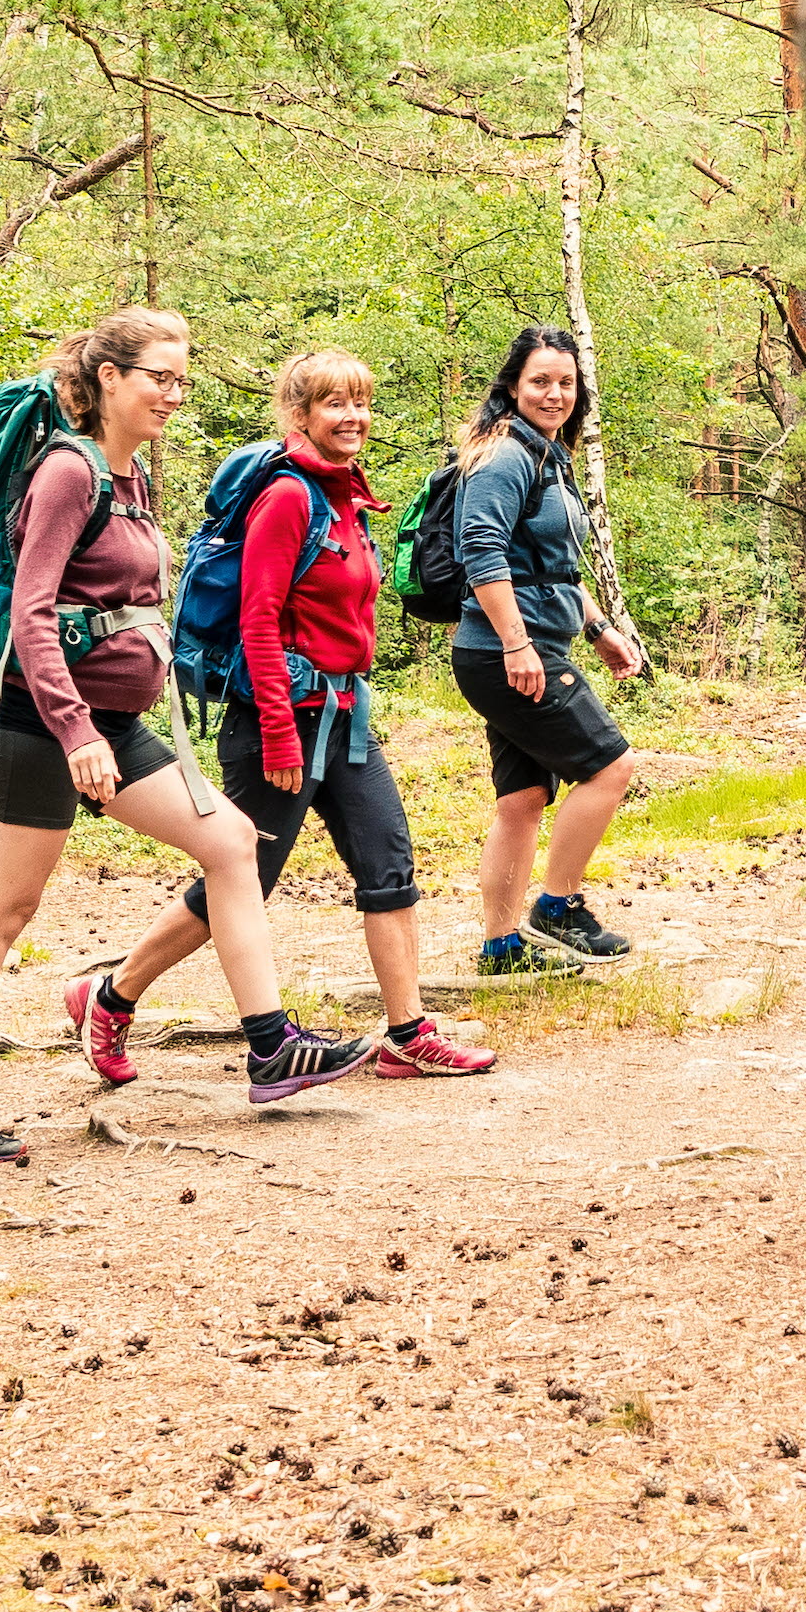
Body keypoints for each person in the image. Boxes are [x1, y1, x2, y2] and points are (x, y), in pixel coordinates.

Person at [0, 309, 373, 1167]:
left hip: (113, 727)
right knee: (5, 912)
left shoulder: (133, 476)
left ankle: (271, 1045)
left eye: (181, 378)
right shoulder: (67, 474)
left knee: (231, 842)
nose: (173, 392)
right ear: (109, 376)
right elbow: (30, 616)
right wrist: (76, 730)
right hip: (38, 724)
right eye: (159, 375)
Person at [72, 350, 498, 1086]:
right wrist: (275, 727)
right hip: (282, 719)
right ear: (300, 415)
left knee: (387, 860)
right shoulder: (289, 497)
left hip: (344, 713)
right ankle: (109, 996)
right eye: (335, 404)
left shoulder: (346, 496)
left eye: (361, 402)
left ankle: (408, 1031)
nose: (354, 417)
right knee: (241, 881)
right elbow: (258, 619)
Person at [448, 325, 644, 974]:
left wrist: (598, 628)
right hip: (507, 651)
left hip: (518, 646)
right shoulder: (506, 455)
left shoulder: (545, 456)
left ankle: (502, 947)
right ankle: (558, 908)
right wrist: (518, 644)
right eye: (540, 381)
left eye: (566, 382)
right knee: (610, 765)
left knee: (522, 799)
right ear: (512, 386)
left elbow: (550, 568)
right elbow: (481, 550)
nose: (555, 393)